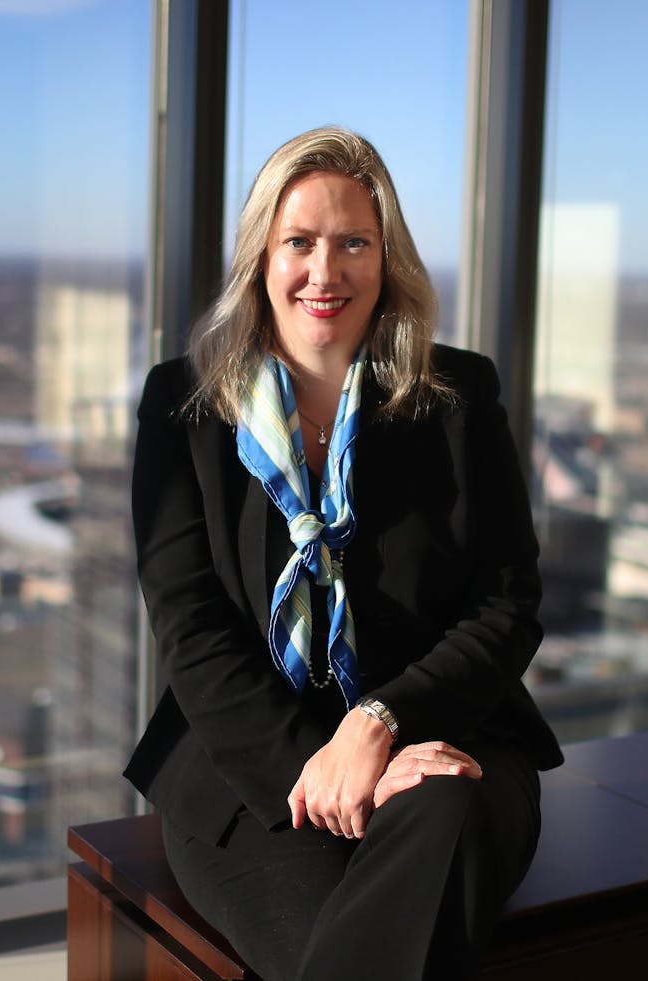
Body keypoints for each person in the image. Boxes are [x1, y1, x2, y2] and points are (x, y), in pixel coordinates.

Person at [125, 126, 563, 981]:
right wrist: (321, 763)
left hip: (444, 744)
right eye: (300, 242)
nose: (325, 272)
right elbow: (192, 630)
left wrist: (380, 723)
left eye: (354, 243)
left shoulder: (460, 397)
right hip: (249, 772)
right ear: (261, 256)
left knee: (437, 825)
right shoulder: (182, 406)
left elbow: (507, 605)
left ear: (387, 259)